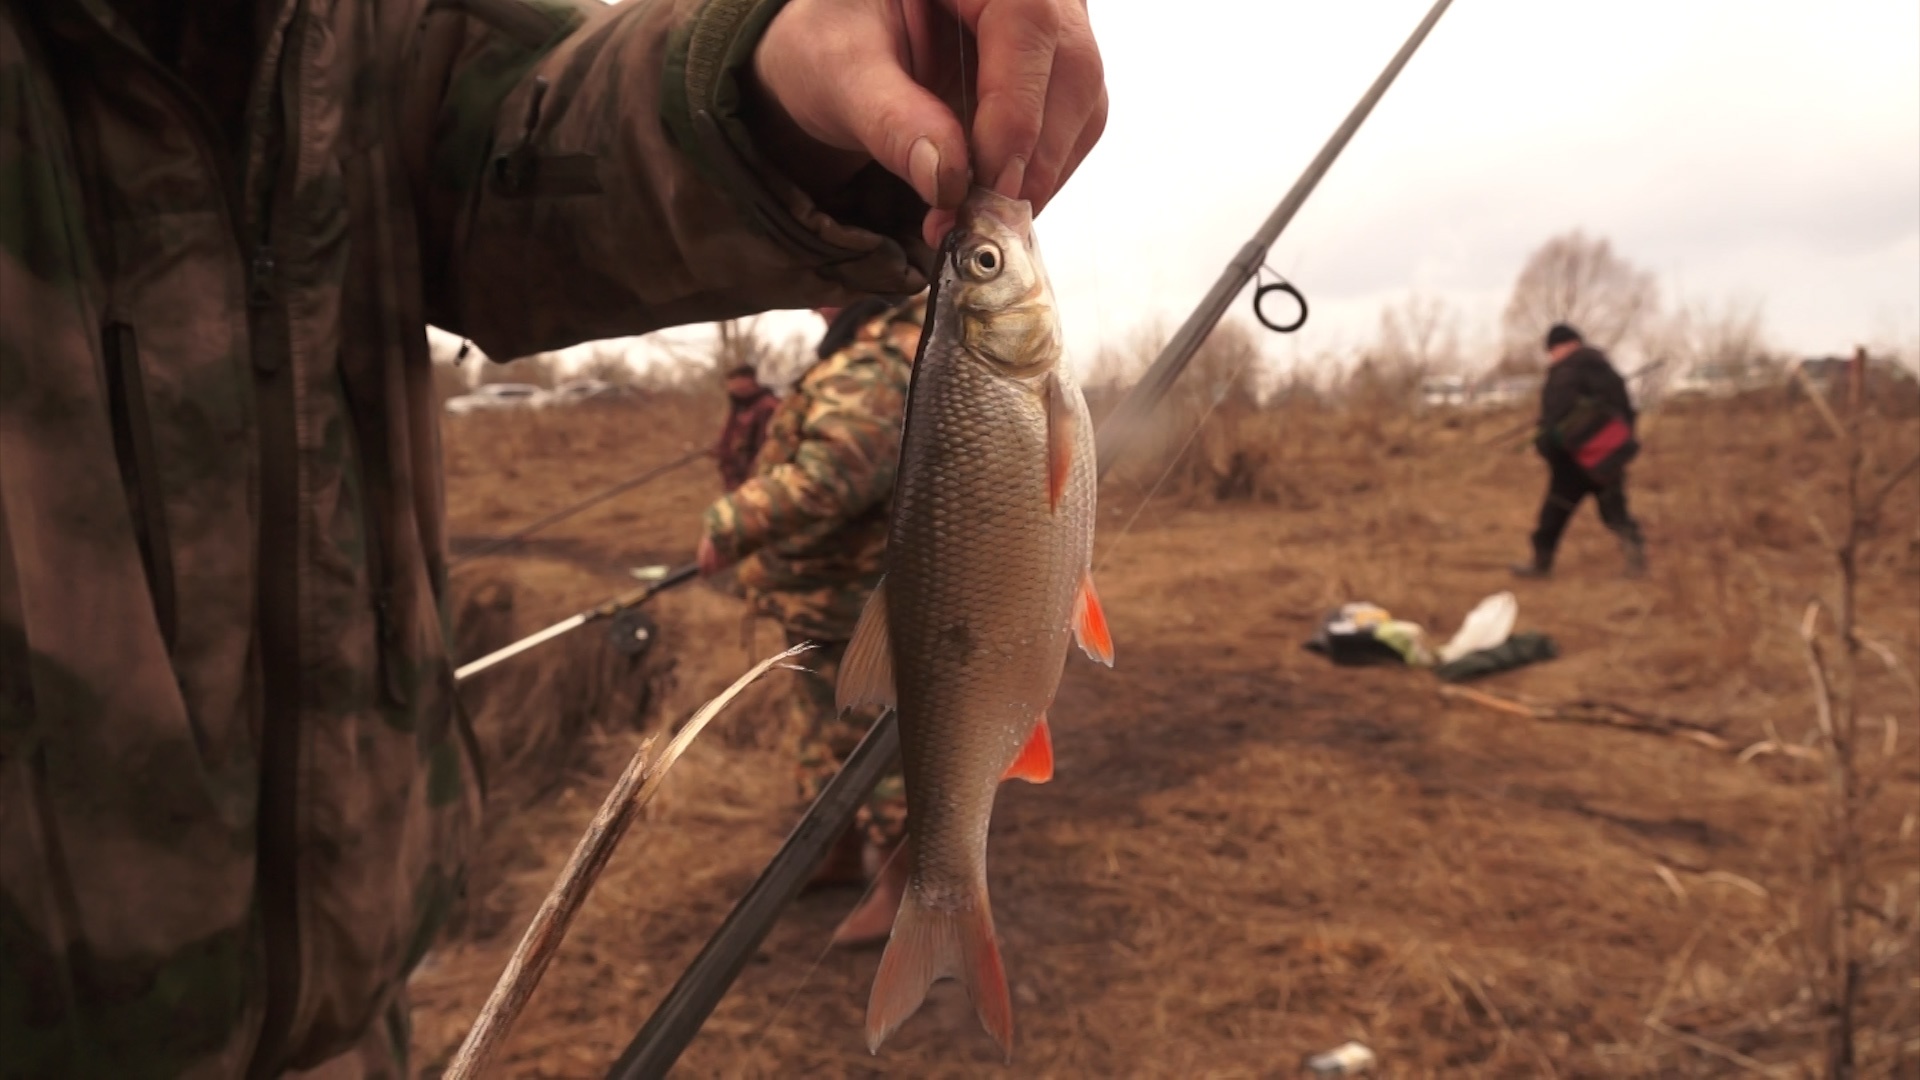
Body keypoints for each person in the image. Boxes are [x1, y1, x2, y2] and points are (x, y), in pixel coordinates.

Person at [0, 0, 1106, 1074]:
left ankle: (905, 870)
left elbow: (519, 119)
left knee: (867, 743)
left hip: (341, 1018)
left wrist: (769, 82)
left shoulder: (346, 36)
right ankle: (900, 876)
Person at [696, 295, 924, 948]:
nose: (815, 303)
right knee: (823, 740)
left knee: (878, 753)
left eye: (828, 289)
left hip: (859, 609)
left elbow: (834, 475)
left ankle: (907, 894)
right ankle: (842, 856)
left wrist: (731, 521)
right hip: (824, 605)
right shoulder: (856, 353)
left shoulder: (877, 363)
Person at [1512, 323, 1649, 579]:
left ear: (1559, 346)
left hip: (1571, 463)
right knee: (1616, 512)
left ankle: (1540, 566)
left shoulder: (1564, 374)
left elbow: (1554, 420)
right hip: (1607, 460)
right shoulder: (1606, 370)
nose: (1551, 356)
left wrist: (1546, 448)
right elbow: (1627, 414)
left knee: (1553, 515)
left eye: (1551, 350)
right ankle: (1636, 563)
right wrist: (1615, 449)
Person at [715, 364, 780, 492]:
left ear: (750, 381)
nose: (732, 388)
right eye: (731, 384)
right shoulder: (738, 406)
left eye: (737, 384)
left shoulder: (769, 407)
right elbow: (728, 438)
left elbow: (769, 447)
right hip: (736, 480)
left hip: (759, 479)